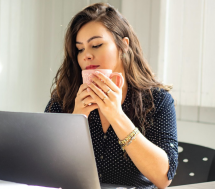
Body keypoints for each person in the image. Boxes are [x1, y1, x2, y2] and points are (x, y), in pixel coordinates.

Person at [44, 3, 178, 189]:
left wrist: (116, 115)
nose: (86, 55)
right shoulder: (64, 98)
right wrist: (75, 121)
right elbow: (44, 169)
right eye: (80, 49)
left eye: (96, 45)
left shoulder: (157, 100)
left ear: (123, 46)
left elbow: (163, 177)